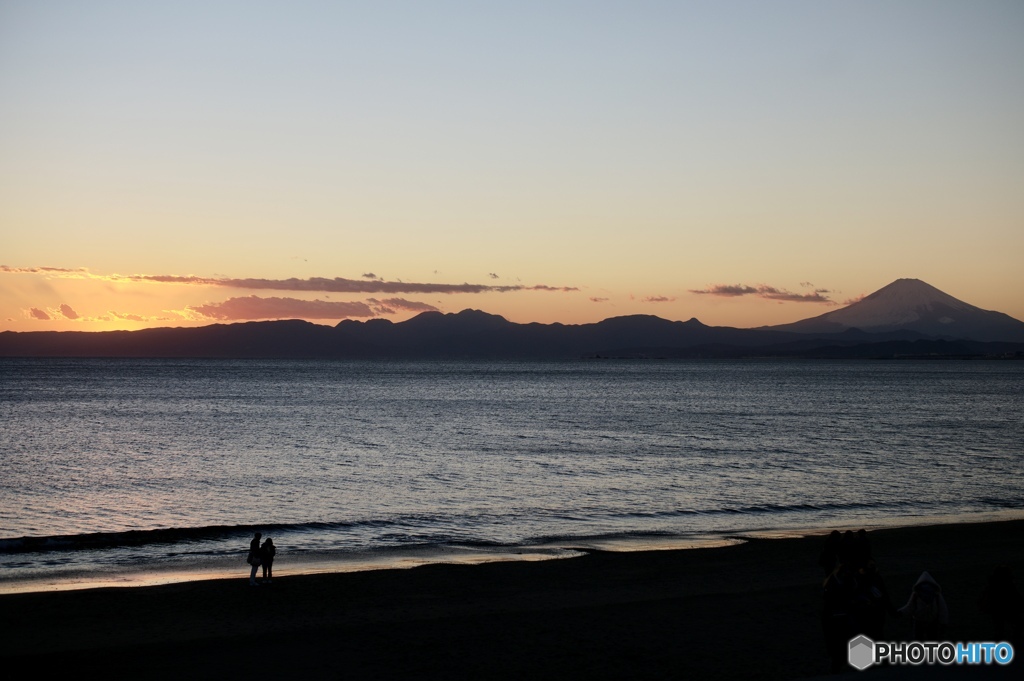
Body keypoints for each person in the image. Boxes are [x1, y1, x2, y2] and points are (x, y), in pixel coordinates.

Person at [898, 571, 949, 640]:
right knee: (932, 640)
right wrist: (943, 623)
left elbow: (909, 607)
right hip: (932, 621)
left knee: (918, 641)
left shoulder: (916, 594)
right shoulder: (936, 595)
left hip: (918, 621)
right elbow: (943, 610)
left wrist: (899, 612)